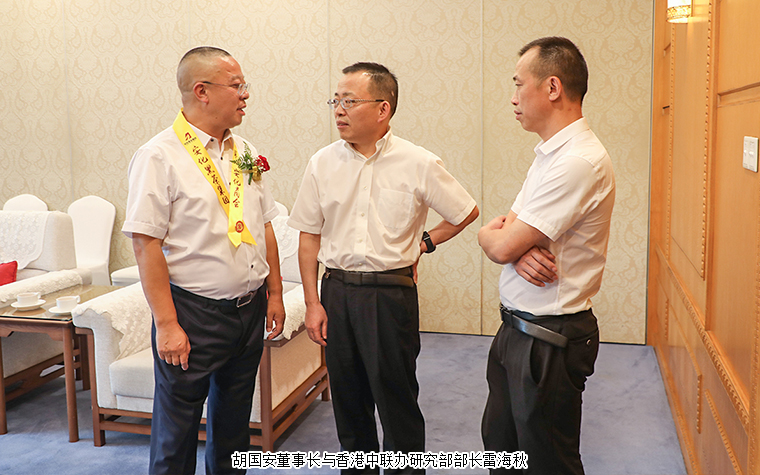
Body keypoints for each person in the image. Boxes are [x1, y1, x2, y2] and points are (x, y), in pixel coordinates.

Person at [288, 62, 479, 474]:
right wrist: (313, 303)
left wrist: (423, 244)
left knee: (396, 399)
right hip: (336, 292)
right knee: (348, 401)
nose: (339, 110)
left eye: (349, 101)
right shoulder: (322, 163)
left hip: (390, 295)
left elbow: (465, 212)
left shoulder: (418, 161)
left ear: (382, 109)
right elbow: (308, 236)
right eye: (335, 100)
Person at [122, 46, 285, 475]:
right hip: (194, 313)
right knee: (176, 433)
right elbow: (145, 244)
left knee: (234, 426)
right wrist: (167, 324)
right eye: (237, 85)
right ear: (202, 91)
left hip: (248, 310)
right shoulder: (159, 156)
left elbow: (264, 225)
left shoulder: (244, 150)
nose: (245, 94)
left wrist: (274, 294)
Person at [478, 37, 615, 474]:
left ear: (552, 87)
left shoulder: (578, 161)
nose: (513, 97)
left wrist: (503, 245)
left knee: (546, 460)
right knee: (502, 447)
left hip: (548, 337)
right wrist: (504, 244)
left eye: (519, 84)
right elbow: (505, 233)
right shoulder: (550, 154)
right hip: (518, 328)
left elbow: (503, 242)